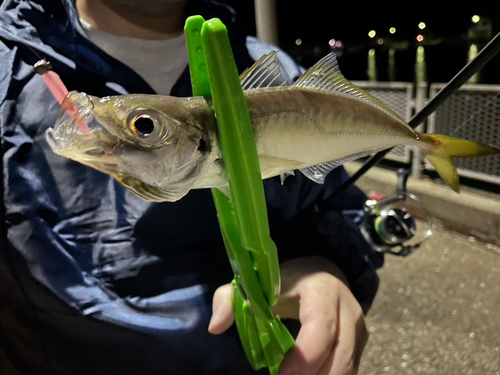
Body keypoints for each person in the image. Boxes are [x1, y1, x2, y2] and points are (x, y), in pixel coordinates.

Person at [0, 0, 383, 374]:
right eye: (145, 126)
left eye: (144, 127)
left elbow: (338, 207)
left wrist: (326, 267)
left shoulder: (277, 70)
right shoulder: (7, 74)